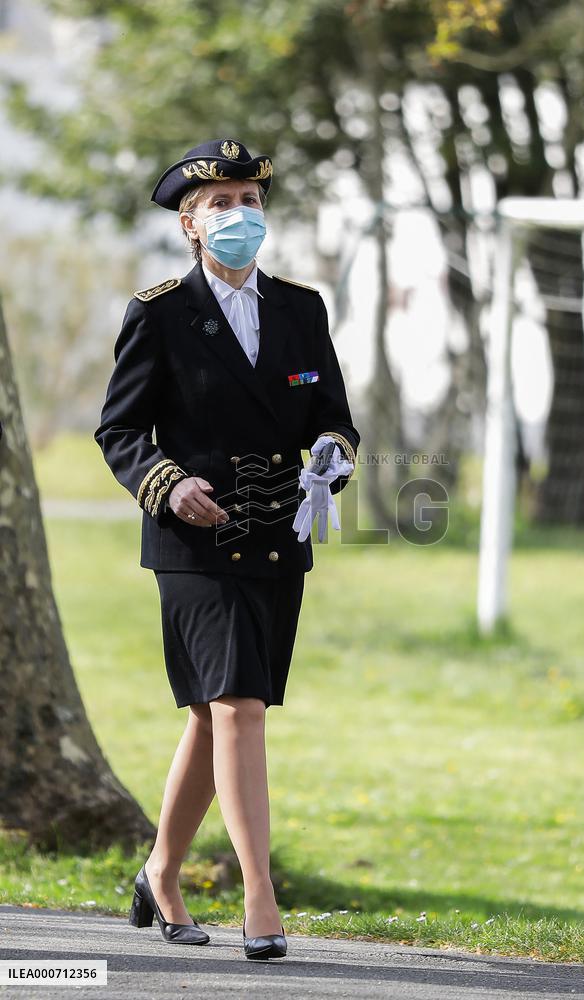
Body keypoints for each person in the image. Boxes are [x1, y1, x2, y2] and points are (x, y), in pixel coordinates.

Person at [93, 137, 361, 959]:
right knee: (238, 709)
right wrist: (168, 484)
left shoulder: (300, 309)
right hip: (196, 544)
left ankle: (161, 875)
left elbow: (335, 419)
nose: (240, 215)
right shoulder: (160, 312)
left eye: (250, 201)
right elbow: (120, 429)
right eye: (221, 204)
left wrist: (332, 458)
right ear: (189, 223)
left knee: (220, 720)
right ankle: (259, 895)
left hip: (278, 539)